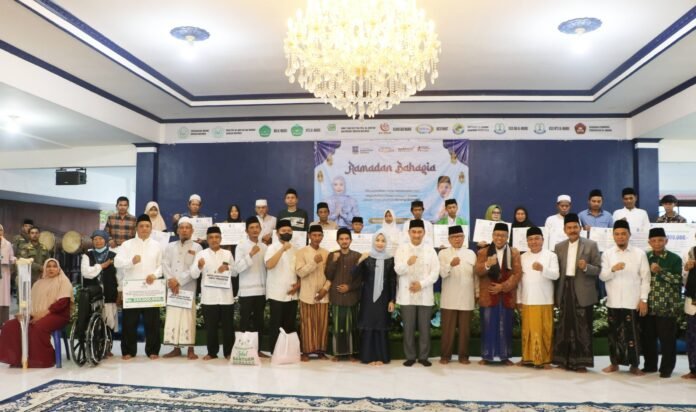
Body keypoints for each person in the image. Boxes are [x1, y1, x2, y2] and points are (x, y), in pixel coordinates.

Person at [0, 259, 73, 368]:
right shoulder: (38, 283)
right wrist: (23, 313)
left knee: (38, 327)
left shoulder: (63, 281)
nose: (51, 269)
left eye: (54, 266)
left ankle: (43, 360)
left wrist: (43, 314)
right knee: (10, 326)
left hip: (57, 315)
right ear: (44, 268)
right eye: (48, 266)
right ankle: (17, 359)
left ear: (58, 269)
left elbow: (62, 303)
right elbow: (30, 302)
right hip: (36, 314)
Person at [599, 220, 650, 376]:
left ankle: (634, 365)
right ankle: (614, 364)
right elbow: (602, 276)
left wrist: (643, 299)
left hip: (632, 301)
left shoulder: (639, 253)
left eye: (623, 234)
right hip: (613, 301)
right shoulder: (608, 254)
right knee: (613, 335)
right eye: (617, 234)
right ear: (613, 236)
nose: (620, 237)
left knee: (633, 335)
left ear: (629, 235)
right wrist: (613, 269)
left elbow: (646, 278)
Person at [552, 213, 601, 372]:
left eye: (575, 227)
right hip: (565, 288)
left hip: (583, 290)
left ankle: (582, 363)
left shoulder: (591, 245)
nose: (572, 230)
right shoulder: (559, 247)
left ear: (580, 228)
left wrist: (586, 267)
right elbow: (556, 272)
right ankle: (562, 360)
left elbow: (598, 269)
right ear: (564, 230)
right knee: (564, 325)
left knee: (583, 326)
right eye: (569, 227)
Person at [114, 214, 163, 360]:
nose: (144, 228)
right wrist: (131, 261)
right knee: (129, 322)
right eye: (141, 226)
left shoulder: (157, 246)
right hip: (132, 290)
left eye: (147, 226)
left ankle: (153, 350)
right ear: (136, 228)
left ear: (151, 228)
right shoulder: (127, 245)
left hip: (151, 289)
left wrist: (155, 275)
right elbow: (117, 262)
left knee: (152, 322)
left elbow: (162, 265)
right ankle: (128, 351)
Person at [474, 222, 521, 365]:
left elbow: (517, 274)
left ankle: (505, 356)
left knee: (505, 326)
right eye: (497, 235)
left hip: (506, 294)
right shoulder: (483, 252)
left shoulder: (514, 252)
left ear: (507, 237)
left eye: (503, 235)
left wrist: (503, 286)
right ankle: (486, 356)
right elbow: (478, 271)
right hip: (488, 294)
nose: (499, 238)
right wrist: (487, 264)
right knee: (488, 325)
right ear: (492, 236)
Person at [394, 219, 440, 367]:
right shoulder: (401, 249)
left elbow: (435, 273)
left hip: (424, 295)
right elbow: (398, 270)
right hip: (407, 295)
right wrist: (408, 263)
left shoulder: (430, 250)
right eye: (413, 232)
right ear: (408, 233)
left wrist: (421, 284)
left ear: (424, 233)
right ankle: (410, 357)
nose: (416, 235)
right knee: (408, 328)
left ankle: (424, 357)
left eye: (419, 232)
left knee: (424, 328)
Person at [641, 227, 682, 378]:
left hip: (667, 306)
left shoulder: (674, 258)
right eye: (654, 241)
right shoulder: (645, 257)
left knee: (667, 340)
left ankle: (666, 369)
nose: (657, 243)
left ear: (666, 241)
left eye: (660, 240)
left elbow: (678, 280)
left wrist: (661, 272)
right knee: (648, 338)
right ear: (649, 242)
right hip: (649, 305)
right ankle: (650, 366)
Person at [517, 227, 560, 369]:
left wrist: (543, 269)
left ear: (543, 240)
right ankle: (527, 358)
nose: (534, 242)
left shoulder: (550, 256)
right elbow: (519, 281)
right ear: (527, 241)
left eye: (537, 238)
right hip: (527, 299)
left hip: (545, 299)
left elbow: (556, 275)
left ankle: (545, 360)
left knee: (545, 331)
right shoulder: (523, 257)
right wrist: (519, 300)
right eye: (530, 239)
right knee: (528, 330)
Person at [191, 226, 235, 360]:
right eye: (211, 237)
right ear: (207, 239)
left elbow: (236, 272)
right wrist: (199, 266)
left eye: (217, 237)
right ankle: (212, 352)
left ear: (221, 239)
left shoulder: (227, 254)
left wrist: (228, 267)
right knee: (211, 327)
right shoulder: (201, 254)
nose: (214, 240)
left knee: (228, 327)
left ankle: (229, 352)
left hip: (226, 296)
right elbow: (193, 274)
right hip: (209, 296)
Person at [161, 217, 202, 360]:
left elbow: (194, 269)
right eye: (182, 227)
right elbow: (165, 264)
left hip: (188, 287)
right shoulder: (170, 246)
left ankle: (191, 348)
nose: (184, 230)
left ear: (192, 230)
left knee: (188, 318)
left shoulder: (197, 248)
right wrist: (171, 280)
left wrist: (178, 281)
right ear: (177, 230)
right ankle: (175, 348)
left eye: (187, 227)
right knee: (173, 317)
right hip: (172, 287)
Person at [438, 225, 477, 365]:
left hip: (467, 296)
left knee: (465, 330)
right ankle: (445, 356)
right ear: (449, 239)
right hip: (449, 296)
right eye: (454, 237)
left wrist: (477, 292)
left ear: (464, 238)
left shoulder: (471, 253)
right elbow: (441, 274)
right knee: (447, 330)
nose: (457, 239)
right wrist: (450, 264)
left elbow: (475, 276)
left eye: (460, 236)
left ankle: (463, 356)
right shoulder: (443, 254)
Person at [356, 232, 396, 365]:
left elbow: (392, 281)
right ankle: (367, 357)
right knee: (369, 325)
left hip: (384, 299)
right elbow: (353, 275)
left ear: (386, 243)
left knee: (381, 324)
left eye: (383, 240)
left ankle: (381, 357)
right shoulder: (367, 258)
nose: (380, 243)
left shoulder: (390, 259)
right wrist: (360, 260)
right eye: (377, 240)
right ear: (373, 241)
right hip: (368, 297)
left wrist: (392, 300)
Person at [325, 228, 362, 361]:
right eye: (341, 239)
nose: (344, 241)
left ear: (351, 240)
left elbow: (361, 278)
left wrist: (349, 287)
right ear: (337, 241)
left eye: (346, 239)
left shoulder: (357, 256)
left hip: (352, 297)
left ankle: (352, 353)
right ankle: (338, 353)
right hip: (337, 297)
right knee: (338, 326)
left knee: (352, 325)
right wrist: (334, 262)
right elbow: (328, 275)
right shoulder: (332, 255)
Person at [80, 230, 118, 356]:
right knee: (94, 319)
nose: (98, 241)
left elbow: (119, 275)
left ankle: (107, 347)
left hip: (110, 291)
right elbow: (86, 273)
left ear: (106, 240)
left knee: (109, 319)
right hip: (93, 293)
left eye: (101, 239)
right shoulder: (87, 255)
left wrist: (120, 291)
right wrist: (101, 266)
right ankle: (95, 346)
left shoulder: (114, 255)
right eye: (95, 239)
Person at [233, 217, 268, 357]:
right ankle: (243, 352)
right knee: (245, 321)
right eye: (251, 228)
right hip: (246, 291)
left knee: (259, 321)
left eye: (257, 227)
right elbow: (237, 269)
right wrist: (250, 254)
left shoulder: (265, 247)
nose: (254, 230)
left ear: (260, 229)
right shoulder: (241, 246)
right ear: (246, 230)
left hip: (261, 290)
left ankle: (257, 351)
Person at [295, 224, 330, 361]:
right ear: (309, 236)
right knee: (307, 324)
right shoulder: (301, 252)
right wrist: (313, 262)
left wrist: (325, 289)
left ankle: (321, 351)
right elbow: (300, 272)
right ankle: (306, 352)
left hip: (323, 294)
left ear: (322, 236)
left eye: (319, 235)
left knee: (322, 323)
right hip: (307, 294)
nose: (317, 238)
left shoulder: (326, 253)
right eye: (314, 235)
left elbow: (330, 274)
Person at [264, 220, 299, 353]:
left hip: (292, 294)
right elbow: (269, 265)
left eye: (289, 231)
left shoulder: (295, 249)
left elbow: (298, 270)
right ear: (277, 233)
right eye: (283, 231)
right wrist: (282, 249)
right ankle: (275, 352)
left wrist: (298, 285)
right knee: (276, 324)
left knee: (289, 324)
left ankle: (288, 352)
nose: (287, 233)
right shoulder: (271, 248)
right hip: (277, 293)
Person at [683, 244, 696, 380]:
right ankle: (693, 370)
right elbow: (683, 279)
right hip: (692, 303)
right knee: (692, 338)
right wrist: (686, 269)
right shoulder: (689, 253)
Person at [0, 224, 17, 324]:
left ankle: (3, 321)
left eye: (0, 230)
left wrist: (15, 260)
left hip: (4, 272)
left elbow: (11, 257)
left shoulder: (8, 244)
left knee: (3, 297)